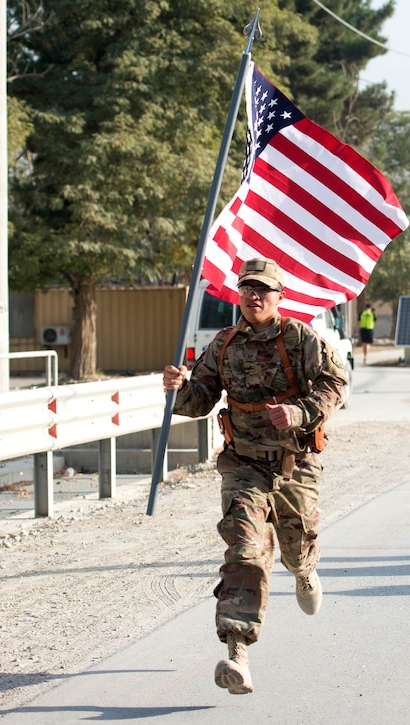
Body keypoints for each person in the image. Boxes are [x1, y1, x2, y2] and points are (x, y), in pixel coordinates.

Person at [161, 257, 348, 695]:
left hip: (294, 463)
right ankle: (237, 653)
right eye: (247, 288)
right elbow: (199, 401)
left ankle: (303, 570)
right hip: (243, 465)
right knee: (245, 551)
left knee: (296, 544)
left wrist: (300, 411)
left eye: (263, 289)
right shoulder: (224, 345)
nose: (254, 296)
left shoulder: (300, 338)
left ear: (279, 296)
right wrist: (179, 388)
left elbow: (335, 384)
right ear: (239, 294)